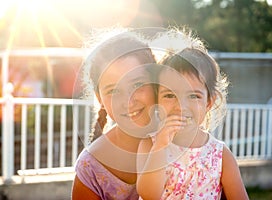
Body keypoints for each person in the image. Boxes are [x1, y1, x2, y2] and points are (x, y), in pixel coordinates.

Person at [136, 29, 249, 200]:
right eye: (169, 95)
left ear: (209, 102)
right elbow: (148, 194)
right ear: (157, 100)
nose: (181, 106)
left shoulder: (220, 155)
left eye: (193, 96)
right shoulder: (150, 144)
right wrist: (160, 146)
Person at [71, 28, 158, 200]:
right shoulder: (91, 168)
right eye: (113, 90)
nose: (128, 100)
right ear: (99, 98)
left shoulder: (187, 143)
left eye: (137, 84)